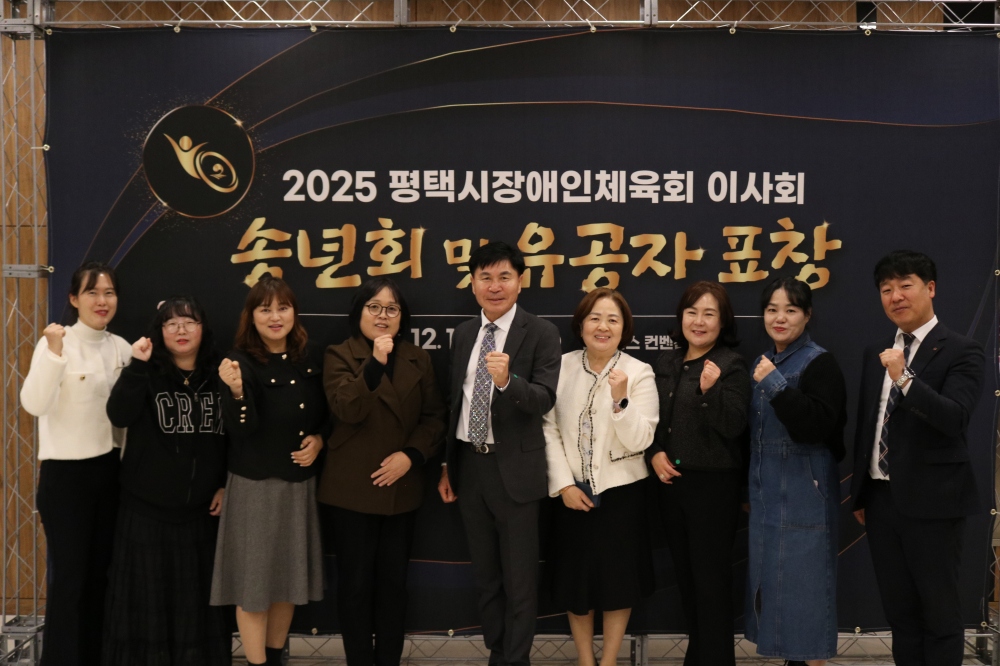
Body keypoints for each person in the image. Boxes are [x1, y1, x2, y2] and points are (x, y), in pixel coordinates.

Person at [850, 250, 985, 666]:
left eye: (905, 285)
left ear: (930, 288)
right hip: (881, 501)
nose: (895, 296)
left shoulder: (962, 350)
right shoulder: (877, 351)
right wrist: (862, 492)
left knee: (940, 614)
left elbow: (954, 418)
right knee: (901, 614)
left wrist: (904, 378)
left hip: (935, 503)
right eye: (886, 289)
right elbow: (869, 426)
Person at [437, 241, 562, 666]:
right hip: (470, 467)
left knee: (519, 580)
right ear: (473, 283)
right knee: (486, 576)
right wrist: (447, 465)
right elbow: (454, 403)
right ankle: (497, 652)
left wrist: (509, 382)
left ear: (520, 282)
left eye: (504, 277)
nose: (495, 286)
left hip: (516, 471)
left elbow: (545, 399)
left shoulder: (541, 332)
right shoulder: (464, 334)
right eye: (486, 277)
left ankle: (516, 659)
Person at [320, 277, 447, 666]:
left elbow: (434, 418)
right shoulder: (339, 354)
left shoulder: (418, 358)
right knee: (355, 586)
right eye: (373, 307)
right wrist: (375, 363)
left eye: (392, 309)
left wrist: (411, 456)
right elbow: (347, 409)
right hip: (352, 489)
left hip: (401, 488)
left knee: (393, 586)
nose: (382, 316)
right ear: (359, 313)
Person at [102, 296, 230, 666]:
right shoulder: (146, 370)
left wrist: (226, 484)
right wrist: (137, 366)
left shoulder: (221, 374)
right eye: (170, 323)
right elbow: (119, 415)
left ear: (203, 329)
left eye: (189, 322)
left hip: (201, 514)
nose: (180, 330)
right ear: (159, 332)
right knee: (145, 606)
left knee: (195, 608)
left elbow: (236, 438)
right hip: (146, 512)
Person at [210, 275, 327, 666]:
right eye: (265, 310)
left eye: (283, 308)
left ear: (294, 312)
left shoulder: (311, 356)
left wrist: (320, 440)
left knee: (287, 584)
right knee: (255, 588)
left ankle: (275, 660)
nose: (275, 317)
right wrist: (237, 391)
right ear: (251, 316)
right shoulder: (238, 362)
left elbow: (328, 414)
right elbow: (241, 429)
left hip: (298, 486)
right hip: (256, 488)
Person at [20, 261, 132, 666]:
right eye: (92, 292)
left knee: (103, 577)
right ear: (73, 298)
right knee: (70, 580)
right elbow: (33, 404)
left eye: (109, 293)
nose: (102, 301)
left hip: (111, 474)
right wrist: (52, 352)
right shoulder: (57, 342)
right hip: (66, 478)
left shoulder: (123, 348)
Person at [543, 288, 658, 666]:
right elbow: (547, 428)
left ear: (624, 329)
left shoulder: (639, 372)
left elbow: (641, 439)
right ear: (581, 325)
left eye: (612, 319)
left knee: (617, 583)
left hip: (621, 495)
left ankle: (608, 661)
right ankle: (585, 660)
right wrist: (563, 484)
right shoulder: (560, 366)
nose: (603, 326)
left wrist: (620, 400)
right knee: (575, 583)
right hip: (570, 494)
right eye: (594, 318)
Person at [646, 280, 750, 666]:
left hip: (714, 489)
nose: (699, 321)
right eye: (692, 312)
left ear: (723, 322)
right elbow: (651, 419)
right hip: (671, 487)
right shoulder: (667, 362)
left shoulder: (731, 364)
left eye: (709, 314)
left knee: (711, 585)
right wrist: (654, 452)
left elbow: (734, 425)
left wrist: (710, 391)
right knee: (688, 583)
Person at [745, 277, 847, 666]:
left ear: (807, 315)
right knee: (775, 593)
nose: (780, 318)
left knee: (807, 594)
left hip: (806, 491)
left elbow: (817, 426)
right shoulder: (764, 361)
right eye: (772, 309)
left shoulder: (820, 362)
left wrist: (774, 385)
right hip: (766, 493)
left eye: (790, 310)